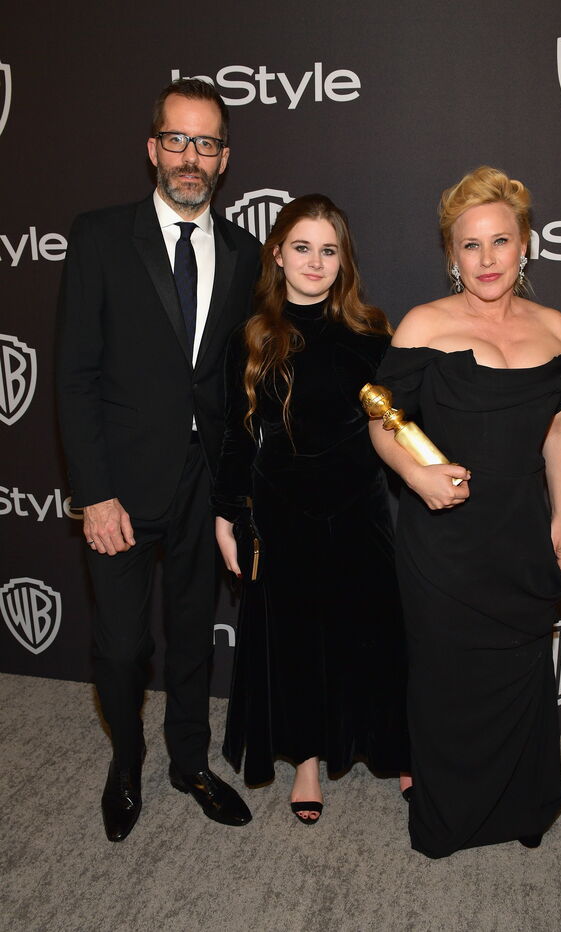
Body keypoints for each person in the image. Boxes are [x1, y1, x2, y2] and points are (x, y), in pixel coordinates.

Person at [56, 78, 260, 842]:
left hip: (203, 486)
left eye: (206, 143)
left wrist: (234, 500)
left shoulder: (245, 254)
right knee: (121, 644)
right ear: (152, 148)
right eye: (176, 139)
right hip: (121, 489)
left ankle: (190, 763)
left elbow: (239, 384)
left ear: (225, 158)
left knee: (191, 635)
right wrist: (95, 494)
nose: (190, 156)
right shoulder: (101, 236)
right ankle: (127, 760)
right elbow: (75, 375)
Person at [369, 166, 561, 858]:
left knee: (520, 676)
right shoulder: (427, 324)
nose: (487, 260)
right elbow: (382, 422)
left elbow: (560, 432)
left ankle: (524, 804)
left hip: (520, 534)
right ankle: (447, 817)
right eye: (470, 246)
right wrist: (417, 474)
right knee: (447, 681)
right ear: (450, 256)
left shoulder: (555, 328)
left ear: (526, 245)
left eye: (500, 242)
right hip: (444, 540)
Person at [214, 194, 409, 823]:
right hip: (283, 509)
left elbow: (402, 425)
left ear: (344, 262)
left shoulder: (373, 335)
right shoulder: (254, 336)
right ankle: (304, 762)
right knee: (295, 636)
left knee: (375, 631)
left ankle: (394, 745)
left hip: (359, 506)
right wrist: (227, 513)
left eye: (329, 250)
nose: (315, 261)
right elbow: (237, 436)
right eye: (302, 247)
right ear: (277, 254)